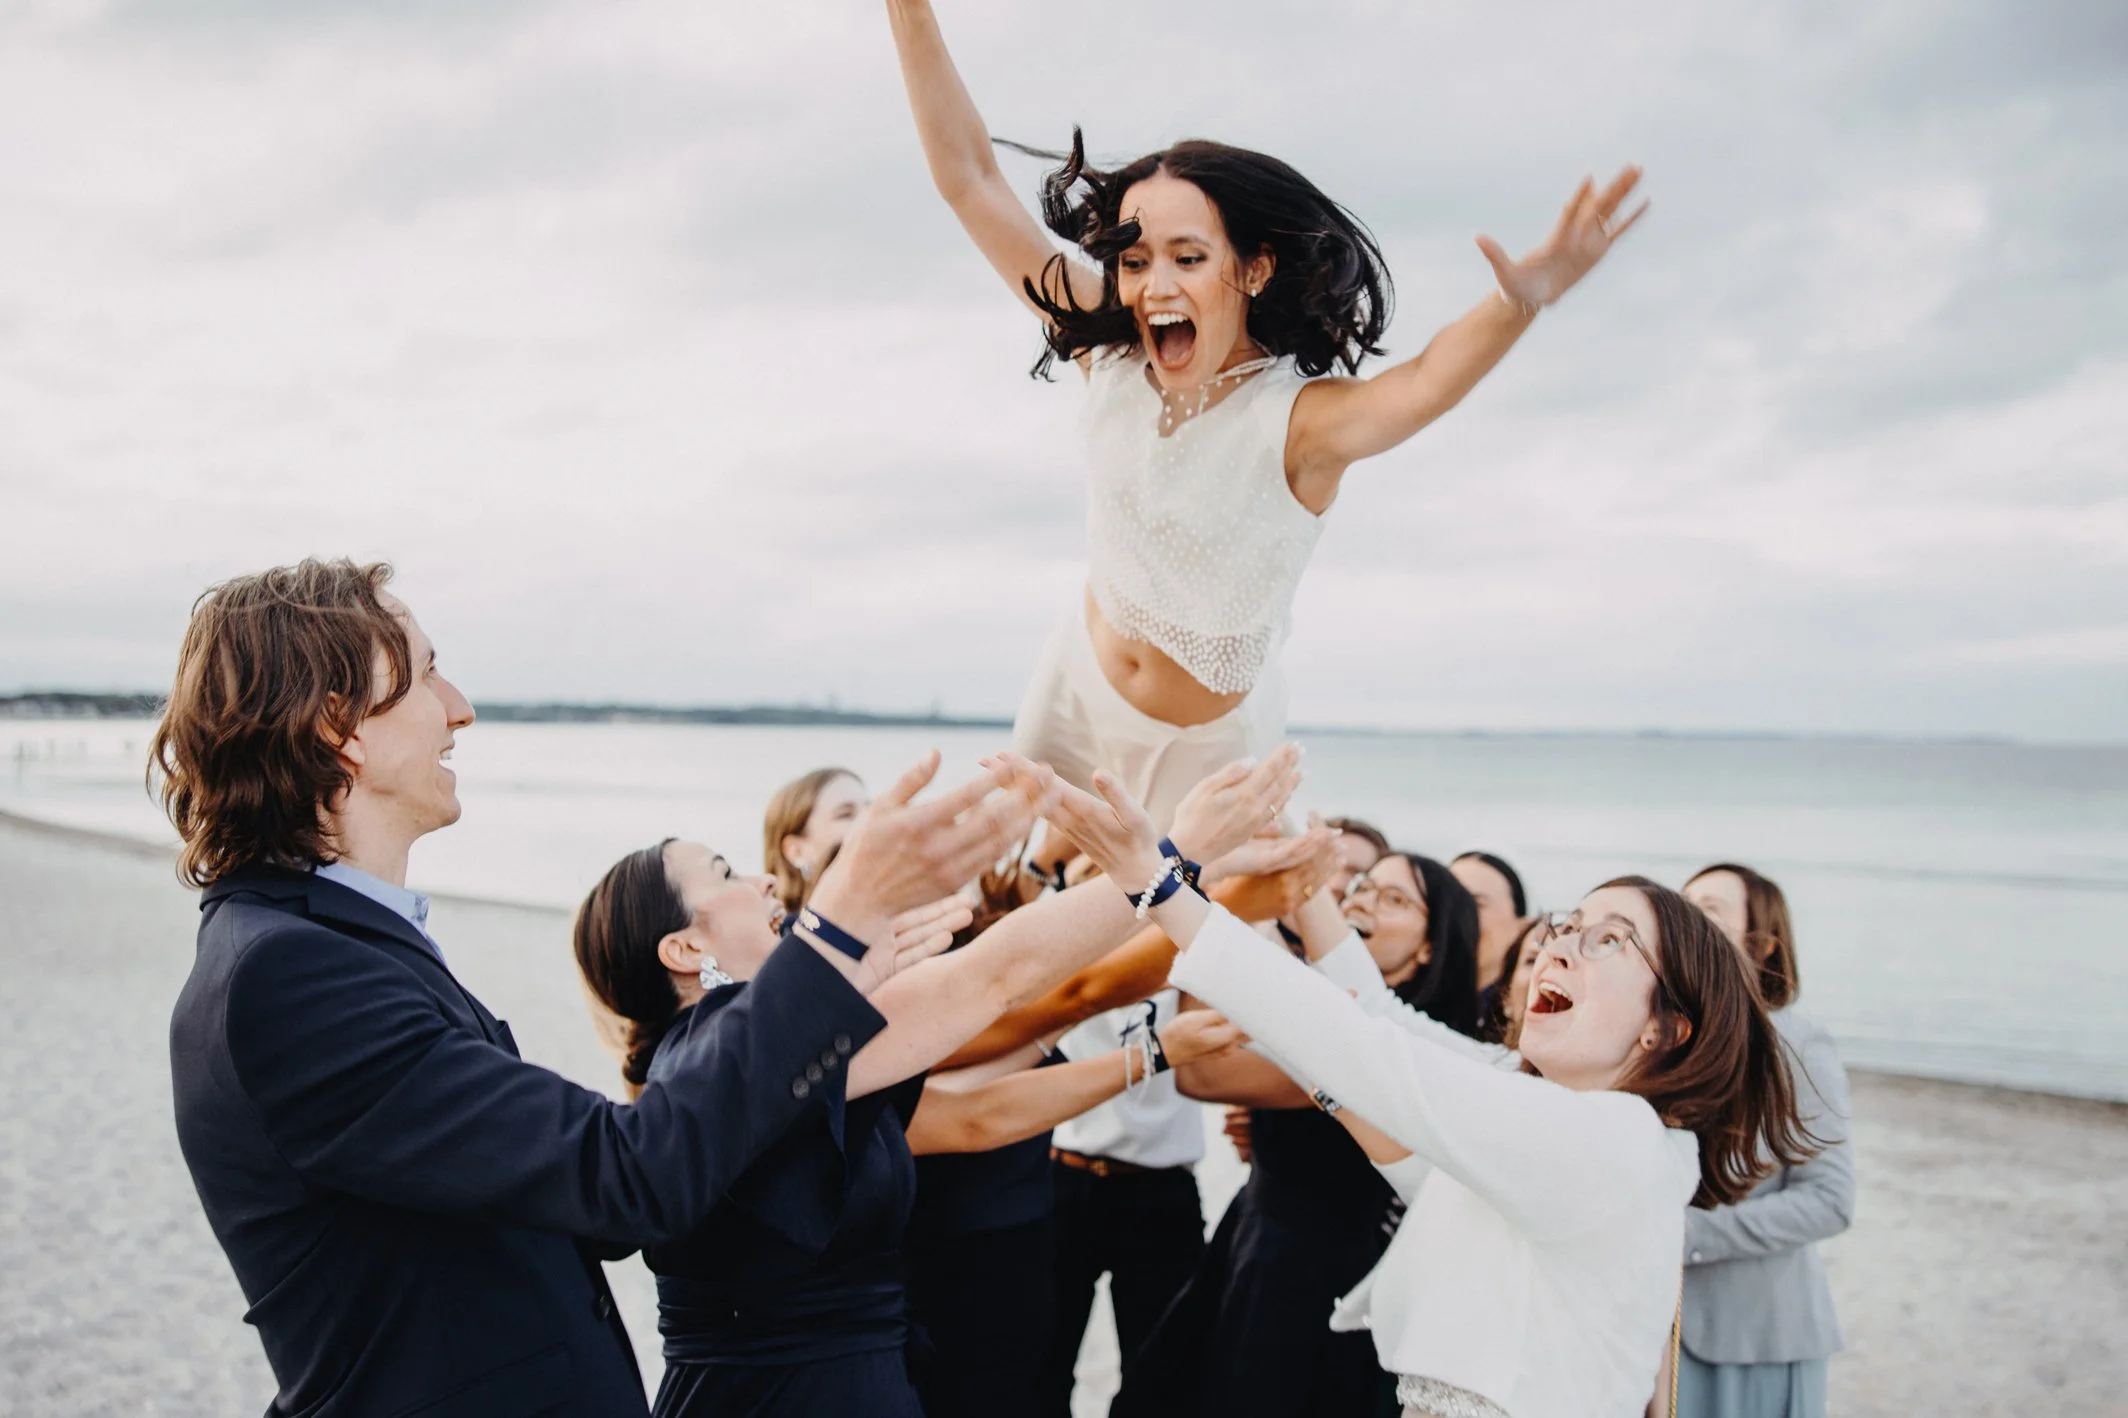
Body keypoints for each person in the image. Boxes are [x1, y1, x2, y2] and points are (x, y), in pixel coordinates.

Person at [155, 559, 1047, 1418]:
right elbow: (627, 1179)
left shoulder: (330, 944)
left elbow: (582, 1192)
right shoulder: (289, 974)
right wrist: (836, 929)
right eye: (428, 675)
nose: (459, 711)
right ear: (337, 728)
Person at [887, 0, 1645, 827]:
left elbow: (1425, 381)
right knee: (985, 865)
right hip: (1075, 679)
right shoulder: (1106, 349)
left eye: (1188, 257)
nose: (1156, 286)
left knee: (1156, 948)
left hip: (1205, 747)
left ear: (1252, 269)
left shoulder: (1298, 423)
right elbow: (970, 179)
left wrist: (1516, 302)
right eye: (1136, 261)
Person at [1037, 768, 1813, 1418]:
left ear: (1667, 1028)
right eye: (1569, 925)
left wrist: (1162, 885)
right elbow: (1383, 1044)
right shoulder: (1553, 1115)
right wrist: (1308, 897)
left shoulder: (1616, 1138)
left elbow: (1376, 1054)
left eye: (1610, 939)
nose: (1561, 945)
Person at [571, 757, 1296, 1418]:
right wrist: (1172, 858)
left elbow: (968, 1114)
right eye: (727, 874)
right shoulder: (722, 1048)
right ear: (686, 948)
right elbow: (997, 976)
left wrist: (1152, 1038)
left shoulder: (758, 1055)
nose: (760, 880)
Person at [1115, 851, 1484, 1418]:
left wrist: (1225, 919)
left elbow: (1202, 1073)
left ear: (1430, 947)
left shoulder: (1399, 1048)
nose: (1362, 898)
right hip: (1253, 1236)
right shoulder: (1317, 999)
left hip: (1309, 1272)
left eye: (1394, 899)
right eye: (1362, 884)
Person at [1677, 864, 1854, 1418]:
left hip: (1753, 1340)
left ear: (1764, 945)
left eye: (1707, 909)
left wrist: (1685, 1235)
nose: (1685, 920)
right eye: (1680, 906)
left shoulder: (1797, 1044)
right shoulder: (1663, 1036)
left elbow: (1829, 1202)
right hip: (1655, 1331)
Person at [764, 767, 870, 912]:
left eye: (871, 810)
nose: (869, 820)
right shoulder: (791, 933)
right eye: (846, 814)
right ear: (797, 852)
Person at [1451, 850, 1529, 1007]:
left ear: (1521, 927)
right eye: (1449, 902)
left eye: (1477, 904)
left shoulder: (1524, 1015)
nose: (1457, 916)